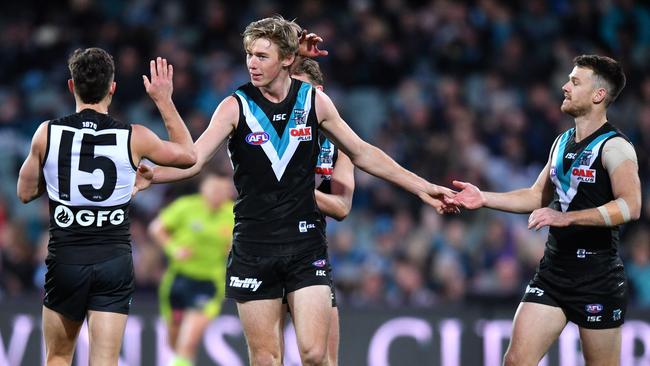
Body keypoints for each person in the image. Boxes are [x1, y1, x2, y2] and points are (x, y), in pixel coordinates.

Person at [135, 16, 456, 366]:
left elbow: (363, 152)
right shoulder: (235, 106)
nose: (251, 64)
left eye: (262, 56)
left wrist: (423, 187)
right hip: (253, 246)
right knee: (266, 358)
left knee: (315, 355)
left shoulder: (314, 102)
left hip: (305, 245)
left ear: (287, 59)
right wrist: (157, 162)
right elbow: (193, 159)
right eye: (249, 55)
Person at [454, 55, 641, 366]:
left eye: (575, 82)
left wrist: (565, 218)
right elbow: (535, 196)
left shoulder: (615, 147)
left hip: (598, 276)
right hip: (554, 271)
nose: (565, 87)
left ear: (598, 95)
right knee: (515, 361)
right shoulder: (562, 142)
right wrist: (482, 197)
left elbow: (631, 206)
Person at [16, 47, 196, 366]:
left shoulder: (47, 132)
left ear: (72, 86)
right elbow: (188, 155)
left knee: (58, 356)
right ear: (112, 88)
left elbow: (25, 193)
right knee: (105, 361)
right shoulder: (134, 137)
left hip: (66, 260)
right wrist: (164, 100)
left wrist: (56, 174)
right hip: (113, 262)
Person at [279, 57, 354, 366]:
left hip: (310, 252)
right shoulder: (265, 133)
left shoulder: (338, 145)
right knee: (267, 357)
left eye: (302, 92)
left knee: (322, 359)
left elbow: (341, 207)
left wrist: (297, 189)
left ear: (319, 93)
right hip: (261, 250)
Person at [148, 173, 235, 366]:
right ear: (203, 189)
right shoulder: (187, 206)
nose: (217, 194)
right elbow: (156, 228)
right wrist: (174, 249)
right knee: (175, 342)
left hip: (209, 284)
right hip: (178, 280)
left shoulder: (233, 214)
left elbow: (241, 246)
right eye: (214, 189)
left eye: (222, 191)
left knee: (188, 342)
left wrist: (232, 250)